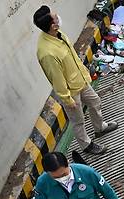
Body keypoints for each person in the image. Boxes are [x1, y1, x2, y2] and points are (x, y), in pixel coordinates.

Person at [33, 6, 118, 155]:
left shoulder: (57, 34)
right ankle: (86, 145)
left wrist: (84, 73)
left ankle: (100, 128)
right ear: (53, 25)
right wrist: (67, 99)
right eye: (55, 16)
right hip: (70, 92)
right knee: (78, 121)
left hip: (80, 80)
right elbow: (56, 78)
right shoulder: (47, 53)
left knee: (95, 102)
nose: (58, 16)